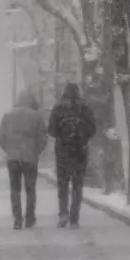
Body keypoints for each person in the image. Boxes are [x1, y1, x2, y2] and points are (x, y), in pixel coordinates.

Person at [0, 91, 48, 229]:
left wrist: (9, 149)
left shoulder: (8, 115)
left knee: (15, 189)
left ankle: (17, 219)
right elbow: (43, 137)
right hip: (30, 157)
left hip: (13, 158)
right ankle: (30, 217)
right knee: (30, 188)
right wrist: (37, 150)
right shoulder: (36, 117)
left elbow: (0, 136)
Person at [48, 82, 97, 228]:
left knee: (63, 184)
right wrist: (82, 137)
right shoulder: (85, 108)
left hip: (63, 151)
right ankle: (74, 217)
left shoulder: (58, 108)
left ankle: (63, 213)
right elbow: (93, 129)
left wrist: (62, 134)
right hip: (80, 151)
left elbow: (51, 131)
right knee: (77, 184)